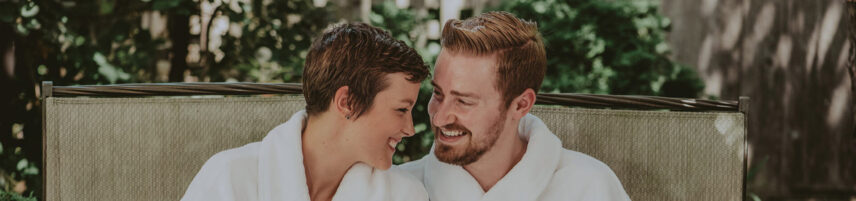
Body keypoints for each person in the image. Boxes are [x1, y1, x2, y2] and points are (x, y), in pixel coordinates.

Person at [182, 22, 430, 201]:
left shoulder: (403, 194)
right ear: (347, 102)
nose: (409, 129)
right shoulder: (229, 177)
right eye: (401, 109)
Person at [398, 11, 631, 201]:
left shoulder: (589, 186)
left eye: (464, 101)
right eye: (438, 94)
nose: (439, 117)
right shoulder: (398, 188)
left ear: (521, 105)